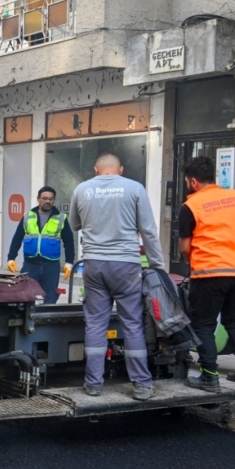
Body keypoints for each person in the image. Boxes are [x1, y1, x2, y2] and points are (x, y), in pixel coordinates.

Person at [68, 153, 166, 401]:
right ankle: (142, 385)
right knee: (132, 324)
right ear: (120, 169)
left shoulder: (82, 189)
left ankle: (93, 384)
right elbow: (148, 231)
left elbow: (74, 224)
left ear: (95, 169)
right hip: (126, 266)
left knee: (96, 325)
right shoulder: (134, 188)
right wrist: (157, 265)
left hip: (93, 265)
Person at [178, 155, 235, 390]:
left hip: (210, 273)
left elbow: (185, 247)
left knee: (203, 324)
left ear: (193, 182)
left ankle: (209, 376)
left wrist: (194, 262)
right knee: (233, 319)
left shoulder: (191, 206)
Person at [6, 186, 76, 304]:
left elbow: (69, 241)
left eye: (51, 199)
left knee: (50, 298)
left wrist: (69, 262)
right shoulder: (28, 216)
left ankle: (46, 321)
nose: (48, 201)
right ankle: (27, 321)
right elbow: (17, 238)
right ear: (38, 199)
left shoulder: (61, 218)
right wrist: (11, 258)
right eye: (44, 198)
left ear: (54, 200)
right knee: (25, 297)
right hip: (30, 265)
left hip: (51, 266)